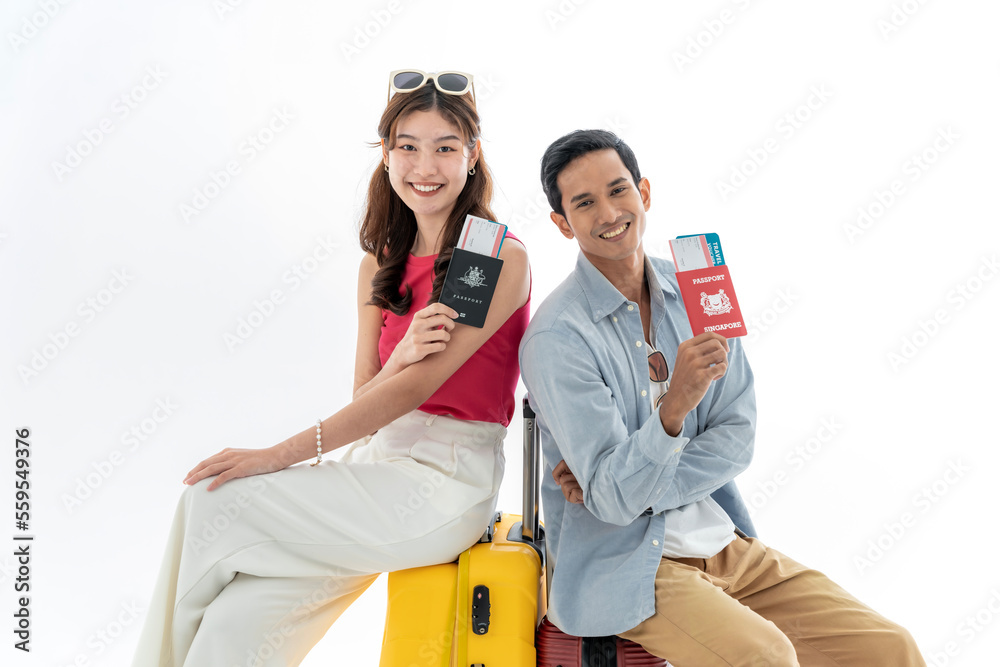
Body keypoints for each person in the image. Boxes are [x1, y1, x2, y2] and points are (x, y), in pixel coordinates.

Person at [130, 69, 530, 666]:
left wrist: (274, 458)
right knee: (234, 632)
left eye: (446, 148)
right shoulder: (380, 264)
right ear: (387, 156)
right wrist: (400, 352)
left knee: (210, 503)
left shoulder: (488, 256)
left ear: (472, 156)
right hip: (371, 465)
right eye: (408, 147)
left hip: (442, 486)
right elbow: (369, 396)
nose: (426, 166)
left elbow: (417, 388)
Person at [518, 129, 924, 666]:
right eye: (585, 202)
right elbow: (614, 506)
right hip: (625, 565)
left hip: (724, 543)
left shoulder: (698, 288)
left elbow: (736, 439)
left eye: (619, 191)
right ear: (562, 223)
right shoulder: (557, 338)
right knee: (765, 656)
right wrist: (673, 412)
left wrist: (634, 483)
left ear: (644, 192)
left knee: (887, 648)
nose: (609, 212)